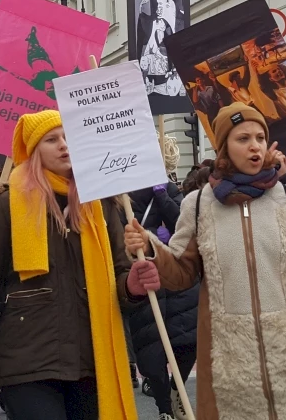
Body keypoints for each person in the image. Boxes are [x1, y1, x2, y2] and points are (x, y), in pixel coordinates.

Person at [127, 102, 286, 419]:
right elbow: (181, 274)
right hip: (228, 366)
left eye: (260, 137)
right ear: (224, 146)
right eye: (243, 138)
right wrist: (151, 247)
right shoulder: (198, 205)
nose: (254, 145)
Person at [0, 111, 141, 420]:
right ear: (34, 151)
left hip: (94, 360)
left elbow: (120, 277)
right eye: (52, 139)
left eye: (69, 138)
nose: (64, 146)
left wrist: (133, 286)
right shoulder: (8, 205)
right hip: (27, 365)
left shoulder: (101, 205)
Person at [126, 168, 199, 420]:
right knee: (152, 348)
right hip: (145, 274)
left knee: (187, 341)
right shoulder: (123, 194)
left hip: (174, 276)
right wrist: (148, 238)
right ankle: (164, 408)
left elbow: (183, 222)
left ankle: (177, 388)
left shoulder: (167, 189)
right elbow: (123, 228)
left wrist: (163, 198)